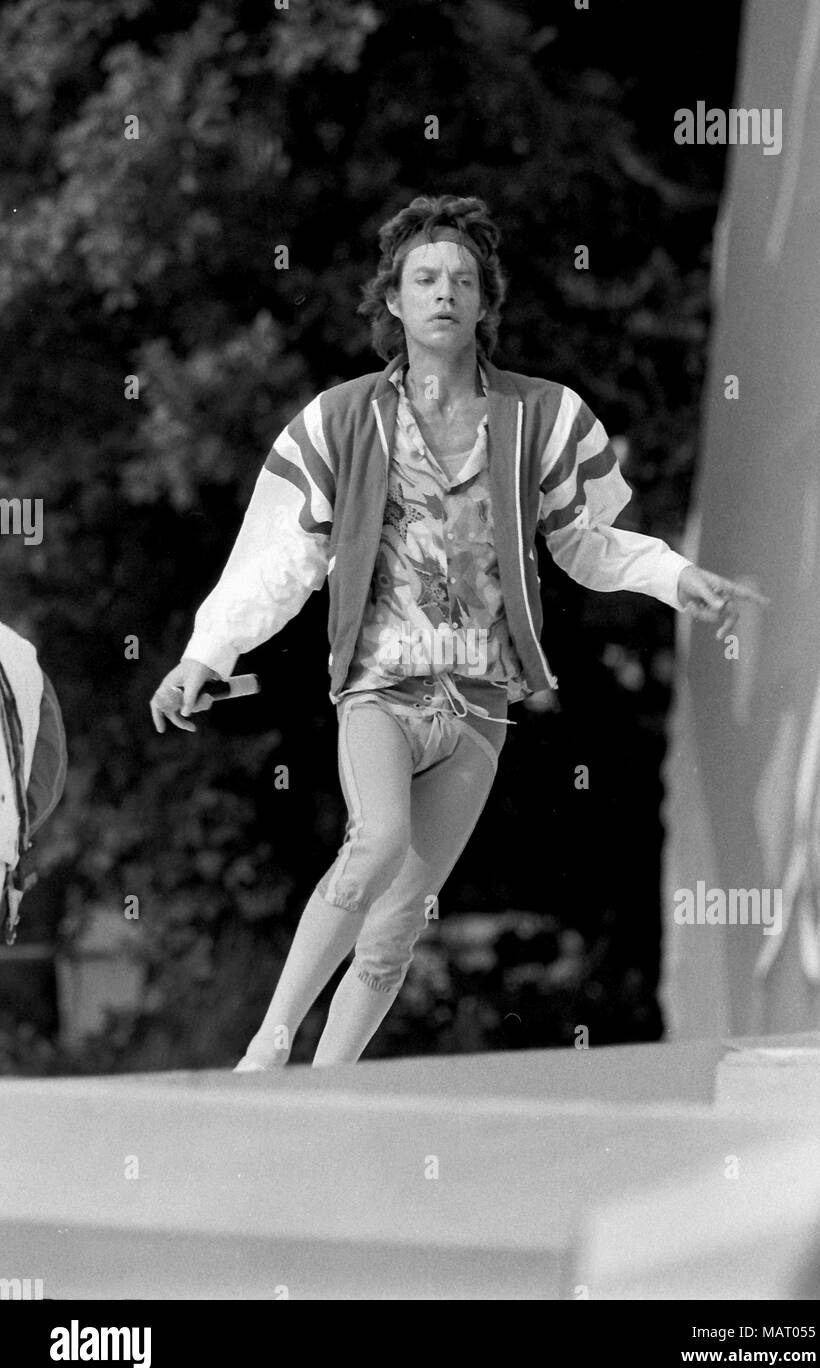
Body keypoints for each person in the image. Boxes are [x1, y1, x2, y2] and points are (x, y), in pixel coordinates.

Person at [149, 193, 767, 1069]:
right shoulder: (340, 420)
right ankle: (271, 1044)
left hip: (480, 704)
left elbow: (586, 541)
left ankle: (328, 1092)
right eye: (425, 278)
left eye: (464, 280)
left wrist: (676, 576)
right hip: (380, 690)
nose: (445, 292)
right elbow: (279, 560)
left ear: (484, 304)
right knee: (379, 843)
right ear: (392, 301)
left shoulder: (543, 417)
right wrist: (202, 656)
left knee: (400, 925)